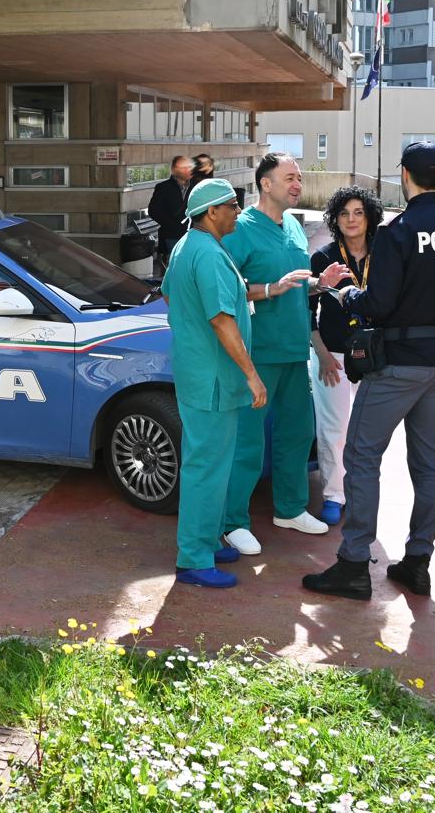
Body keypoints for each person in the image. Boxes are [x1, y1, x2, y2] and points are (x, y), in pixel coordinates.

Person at [302, 141, 435, 600]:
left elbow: (377, 304)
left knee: (362, 456)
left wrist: (344, 297)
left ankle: (354, 563)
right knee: (429, 462)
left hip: (398, 363)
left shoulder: (400, 233)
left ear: (405, 174)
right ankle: (418, 561)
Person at [219, 153, 349, 556]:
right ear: (266, 184)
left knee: (297, 433)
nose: (297, 184)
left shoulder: (293, 226)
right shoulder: (239, 229)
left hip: (295, 351)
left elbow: (293, 284)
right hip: (258, 352)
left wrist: (318, 283)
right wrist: (270, 288)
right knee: (247, 442)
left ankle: (290, 509)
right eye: (289, 178)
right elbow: (227, 288)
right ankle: (232, 522)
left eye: (299, 178)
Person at [161, 178, 268, 589]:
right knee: (206, 468)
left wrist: (191, 334)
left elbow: (172, 295)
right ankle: (193, 558)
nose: (238, 212)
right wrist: (252, 374)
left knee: (209, 464)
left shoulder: (188, 245)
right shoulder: (206, 253)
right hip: (214, 380)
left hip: (199, 373)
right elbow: (222, 320)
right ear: (211, 212)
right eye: (233, 206)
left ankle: (204, 539)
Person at [308, 185, 384, 528]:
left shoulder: (385, 254)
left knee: (367, 431)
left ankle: (360, 490)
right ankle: (333, 495)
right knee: (334, 429)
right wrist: (322, 354)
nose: (351, 220)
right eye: (344, 214)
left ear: (370, 218)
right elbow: (308, 312)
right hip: (334, 356)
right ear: (335, 220)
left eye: (358, 213)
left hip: (375, 356)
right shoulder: (324, 257)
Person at [148, 155, 195, 268]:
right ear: (174, 169)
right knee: (177, 266)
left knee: (191, 266)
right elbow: (153, 211)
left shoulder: (196, 187)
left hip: (193, 234)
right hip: (172, 236)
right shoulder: (163, 187)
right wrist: (171, 224)